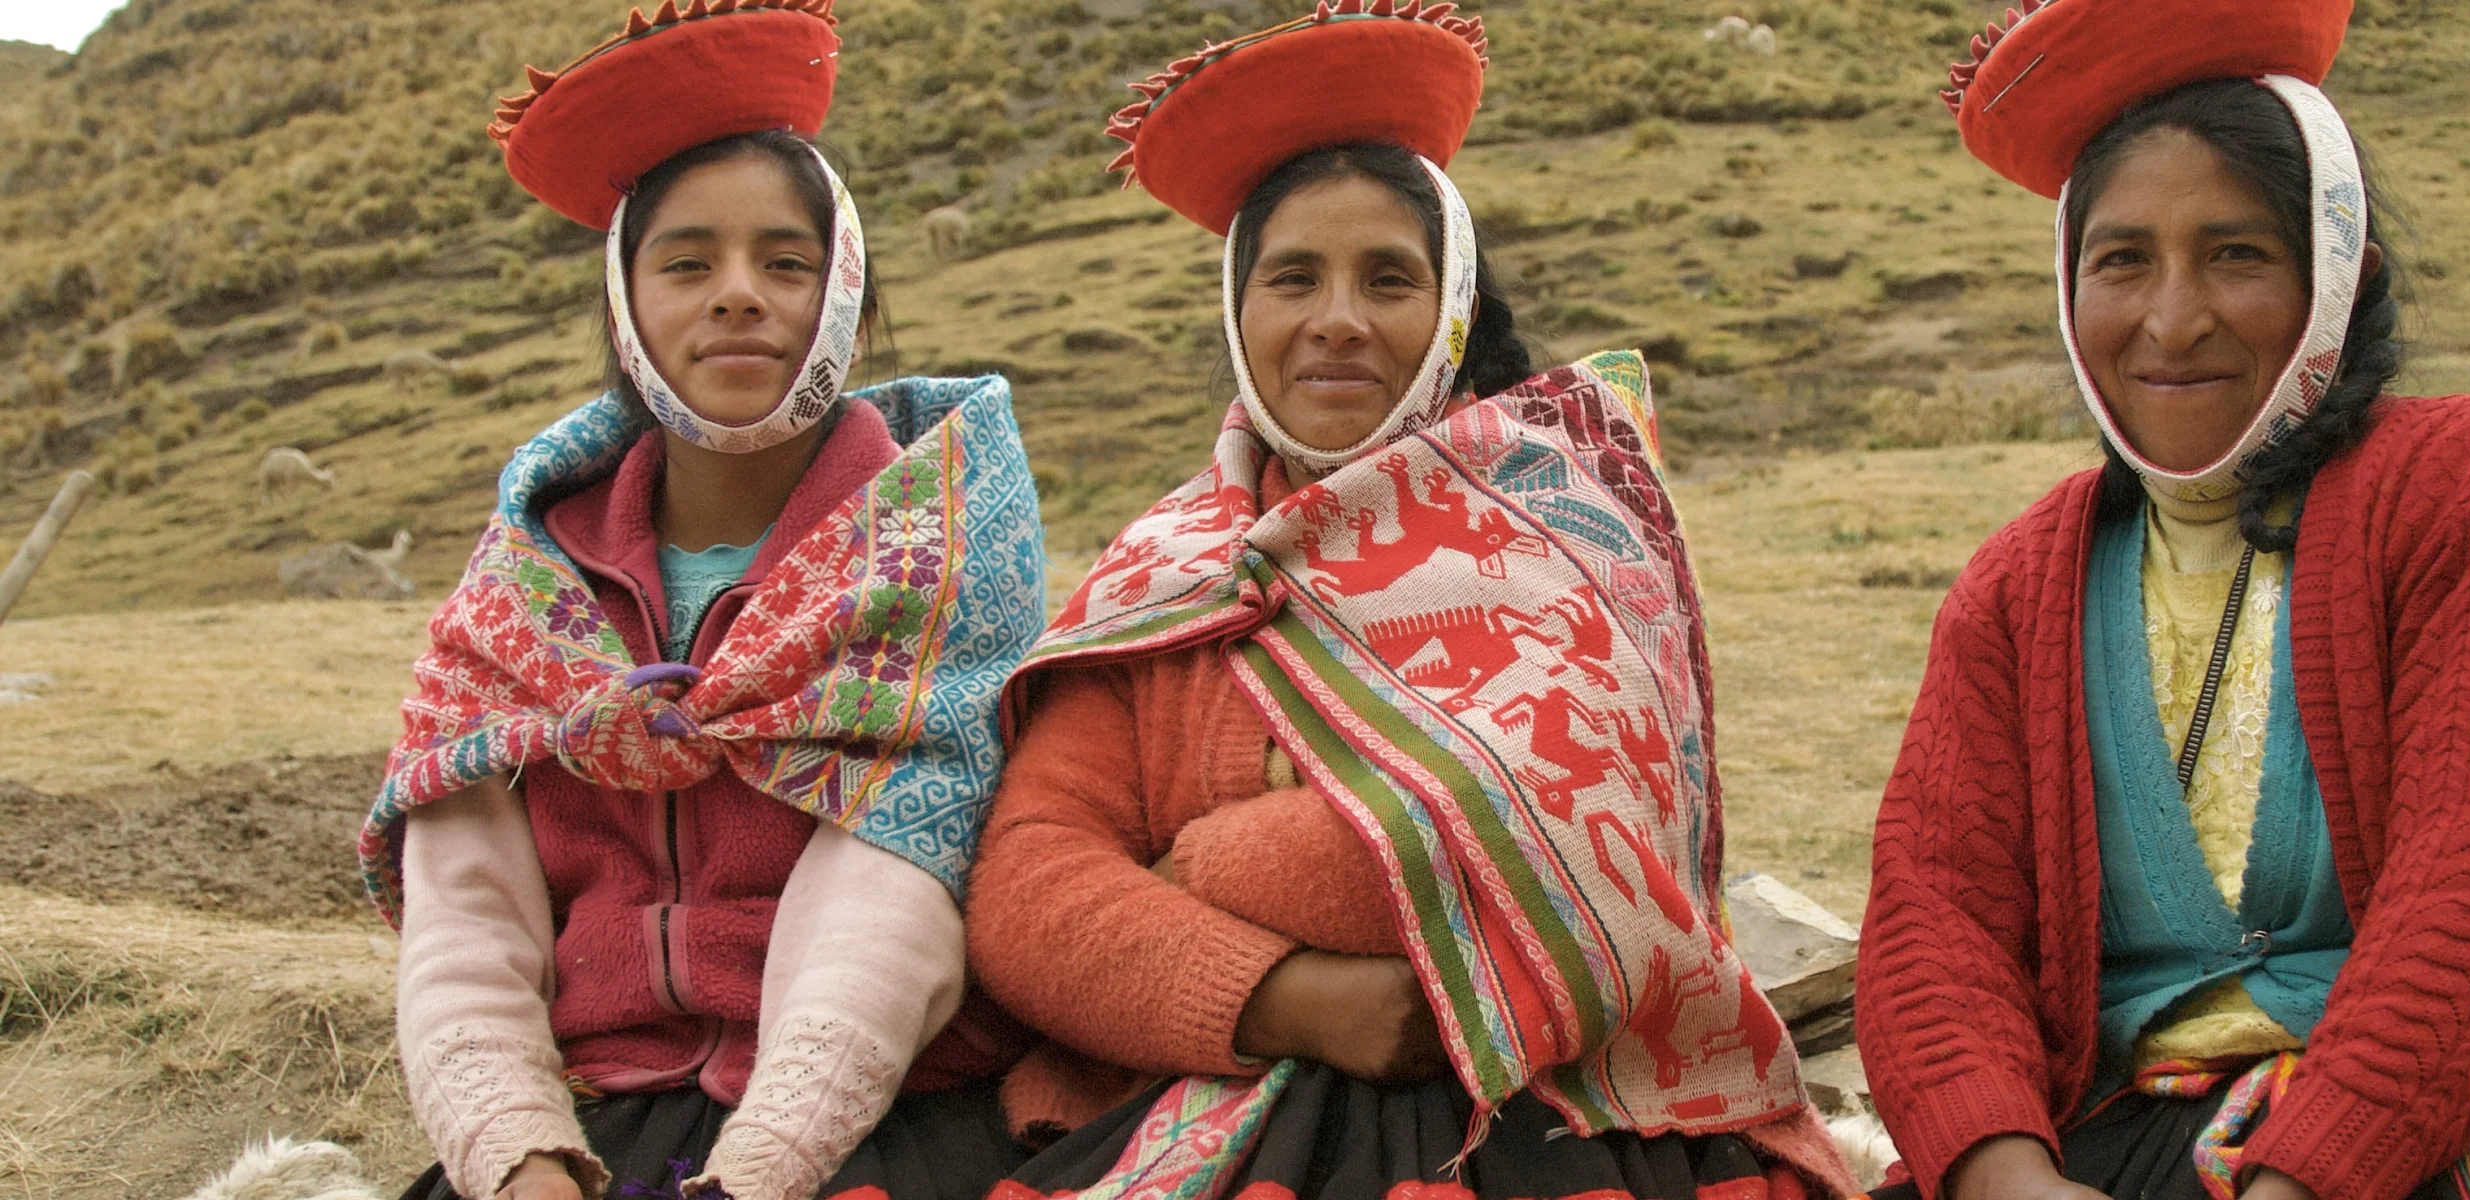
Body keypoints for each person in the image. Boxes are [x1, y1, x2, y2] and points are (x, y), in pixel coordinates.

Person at [1852, 2, 2470, 1199]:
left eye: (2235, 254)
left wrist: (2307, 1181)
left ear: (2340, 277)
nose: (2171, 317)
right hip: (2128, 1144)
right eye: (2122, 259)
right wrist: (2002, 1176)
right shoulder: (2019, 587)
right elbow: (1936, 923)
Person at [962, 3, 1854, 1198]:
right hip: (1204, 1096)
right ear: (1242, 316)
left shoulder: (1560, 528)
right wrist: (1292, 999)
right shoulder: (1164, 572)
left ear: (1452, 311)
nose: (1336, 317)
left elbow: (1570, 853)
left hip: (1538, 1112)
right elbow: (1026, 892)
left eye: (1388, 277)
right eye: (1293, 278)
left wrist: (1203, 868)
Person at [357, 3, 1047, 1197]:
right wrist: (514, 1155)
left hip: (879, 1117)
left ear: (848, 303)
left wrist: (764, 1168)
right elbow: (464, 915)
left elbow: (891, 885)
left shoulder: (938, 554)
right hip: (587, 1121)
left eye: (786, 262)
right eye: (687, 263)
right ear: (625, 312)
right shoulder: (523, 584)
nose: (738, 295)